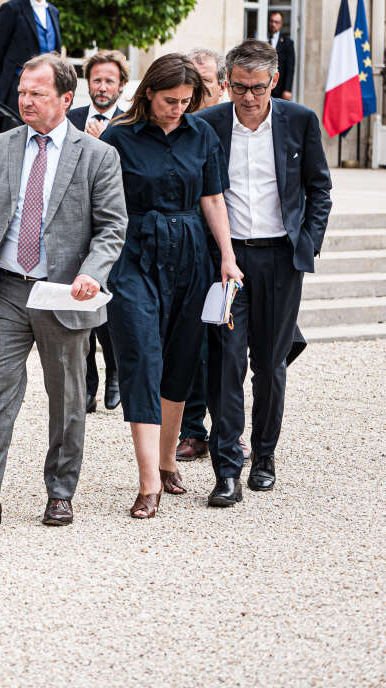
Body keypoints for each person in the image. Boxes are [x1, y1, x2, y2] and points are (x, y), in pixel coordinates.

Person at [0, 54, 127, 529]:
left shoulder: (98, 156)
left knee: (67, 397)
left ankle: (60, 492)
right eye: (22, 92)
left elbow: (112, 228)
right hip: (5, 288)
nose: (24, 101)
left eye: (37, 94)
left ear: (67, 99)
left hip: (63, 295)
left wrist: (92, 272)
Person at [99, 54, 240, 519]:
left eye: (184, 101)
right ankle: (146, 484)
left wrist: (227, 256)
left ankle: (166, 463)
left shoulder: (202, 136)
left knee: (181, 360)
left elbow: (213, 198)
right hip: (133, 254)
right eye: (168, 100)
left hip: (191, 254)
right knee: (141, 355)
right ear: (148, 94)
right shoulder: (119, 136)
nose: (177, 108)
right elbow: (102, 206)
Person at [197, 40, 331, 506]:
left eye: (256, 87)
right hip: (228, 261)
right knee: (226, 363)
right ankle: (226, 469)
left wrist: (306, 243)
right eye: (238, 87)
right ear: (225, 83)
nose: (248, 97)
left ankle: (266, 456)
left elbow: (319, 189)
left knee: (270, 366)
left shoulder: (300, 121)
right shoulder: (208, 124)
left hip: (280, 259)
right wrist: (214, 252)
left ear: (274, 82)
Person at [67, 49, 129, 413]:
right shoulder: (71, 118)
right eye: (96, 80)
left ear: (121, 84)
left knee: (110, 309)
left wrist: (106, 141)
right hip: (75, 228)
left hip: (111, 230)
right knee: (81, 312)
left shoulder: (131, 122)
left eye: (109, 80)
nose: (102, 87)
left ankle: (116, 374)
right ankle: (87, 384)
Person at [176, 47, 229, 461]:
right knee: (190, 342)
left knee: (229, 345)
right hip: (187, 247)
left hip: (230, 249)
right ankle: (193, 429)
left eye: (203, 82)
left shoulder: (229, 125)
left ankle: (230, 428)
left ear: (222, 85)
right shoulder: (179, 127)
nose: (194, 91)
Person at [0, 0, 62, 134]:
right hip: (17, 89)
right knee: (12, 137)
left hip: (47, 89)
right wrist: (2, 82)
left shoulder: (54, 12)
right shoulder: (11, 9)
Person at [266, 11, 295, 100]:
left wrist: (287, 89)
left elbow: (290, 67)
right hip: (263, 84)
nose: (273, 24)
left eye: (276, 22)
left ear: (281, 24)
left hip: (279, 87)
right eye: (271, 21)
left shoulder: (287, 42)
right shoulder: (261, 36)